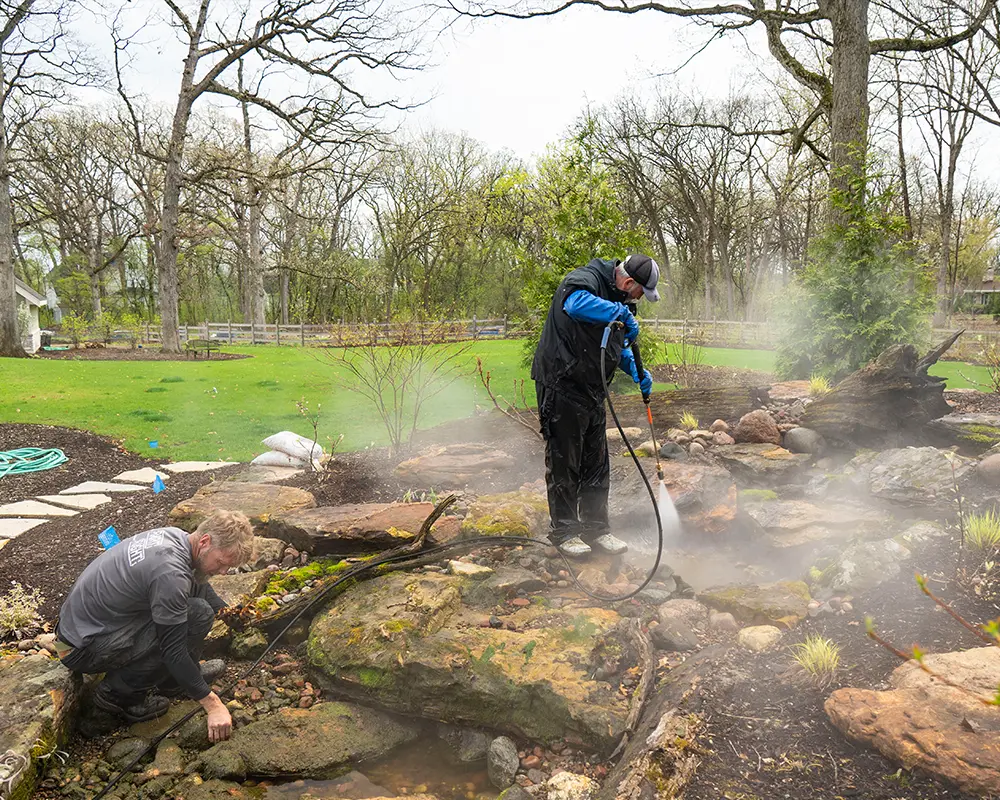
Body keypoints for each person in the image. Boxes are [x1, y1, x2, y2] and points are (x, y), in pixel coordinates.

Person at [54, 510, 254, 743]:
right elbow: (173, 651)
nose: (223, 572)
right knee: (195, 615)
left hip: (84, 628)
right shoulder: (170, 572)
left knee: (197, 611)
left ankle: (173, 683)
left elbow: (198, 581)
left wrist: (229, 613)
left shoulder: (176, 537)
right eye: (221, 563)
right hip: (79, 649)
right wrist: (213, 704)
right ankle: (114, 701)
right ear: (205, 541)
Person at [531, 253, 661, 558]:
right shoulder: (586, 279)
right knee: (565, 462)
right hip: (561, 383)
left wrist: (636, 370)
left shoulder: (620, 301)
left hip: (591, 389)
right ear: (629, 282)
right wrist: (620, 314)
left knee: (596, 463)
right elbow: (574, 304)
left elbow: (614, 344)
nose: (638, 299)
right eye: (640, 291)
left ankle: (597, 529)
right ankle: (564, 532)